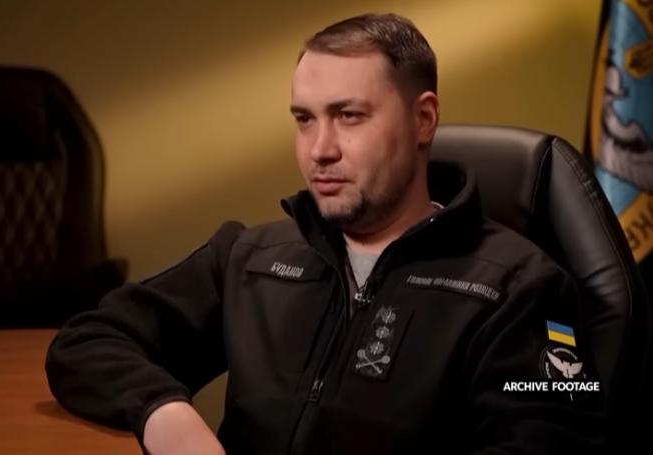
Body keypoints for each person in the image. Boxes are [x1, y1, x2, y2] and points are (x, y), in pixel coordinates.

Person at [46, 13, 606, 454]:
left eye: (349, 116)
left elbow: (555, 442)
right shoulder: (251, 258)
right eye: (305, 119)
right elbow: (86, 342)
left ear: (423, 119)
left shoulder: (522, 288)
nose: (320, 149)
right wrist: (165, 415)